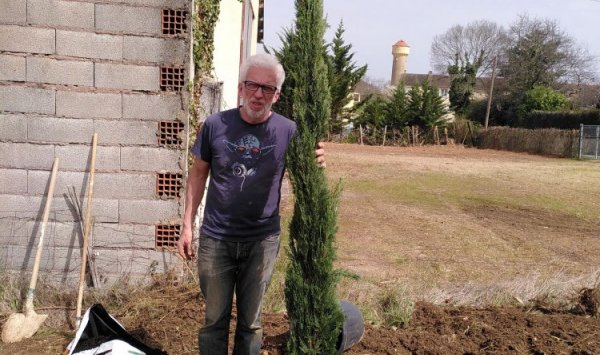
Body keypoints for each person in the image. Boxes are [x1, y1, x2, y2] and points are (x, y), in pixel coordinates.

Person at [177, 53, 325, 355]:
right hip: (217, 239)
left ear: (277, 94)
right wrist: (186, 227)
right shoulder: (215, 126)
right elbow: (197, 176)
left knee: (252, 323)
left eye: (268, 88)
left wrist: (317, 163)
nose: (259, 94)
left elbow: (305, 176)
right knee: (214, 320)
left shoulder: (288, 132)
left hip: (262, 241)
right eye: (253, 85)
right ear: (241, 88)